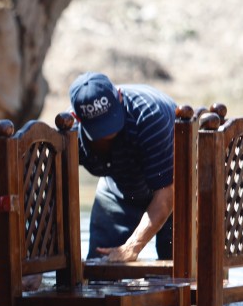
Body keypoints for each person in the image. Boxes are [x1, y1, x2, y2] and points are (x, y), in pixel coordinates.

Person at [68, 71, 176, 261]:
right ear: (76, 117)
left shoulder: (149, 117)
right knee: (99, 268)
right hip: (119, 189)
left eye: (111, 121)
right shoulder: (70, 134)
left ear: (119, 96)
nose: (108, 134)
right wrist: (38, 262)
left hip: (177, 187)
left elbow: (167, 194)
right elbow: (51, 193)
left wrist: (133, 246)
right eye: (99, 129)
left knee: (178, 269)